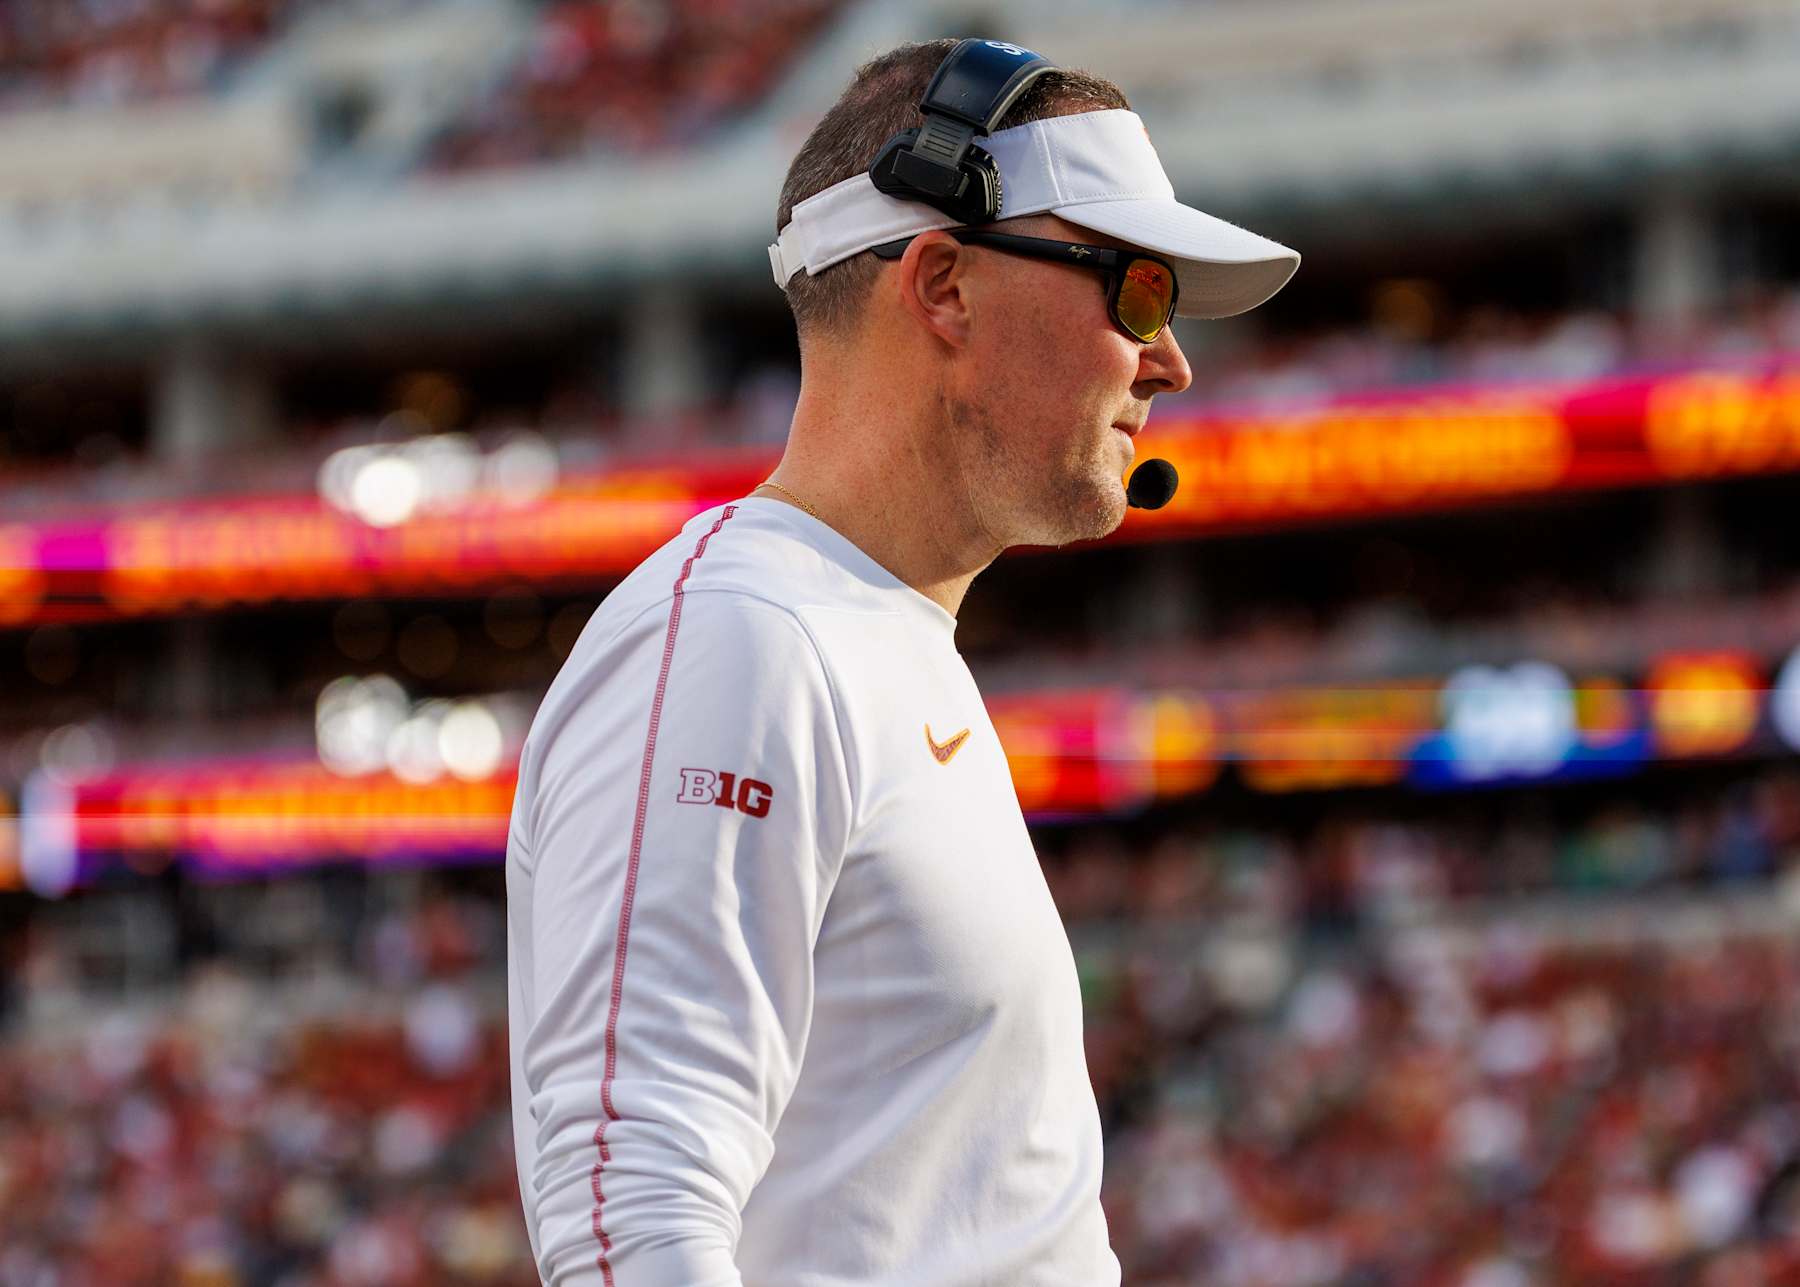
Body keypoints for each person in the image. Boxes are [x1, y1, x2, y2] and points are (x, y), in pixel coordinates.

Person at [505, 37, 1298, 1286]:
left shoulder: (867, 637)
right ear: (944, 287)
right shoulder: (742, 636)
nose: (1170, 359)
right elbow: (631, 1210)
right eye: (1135, 290)